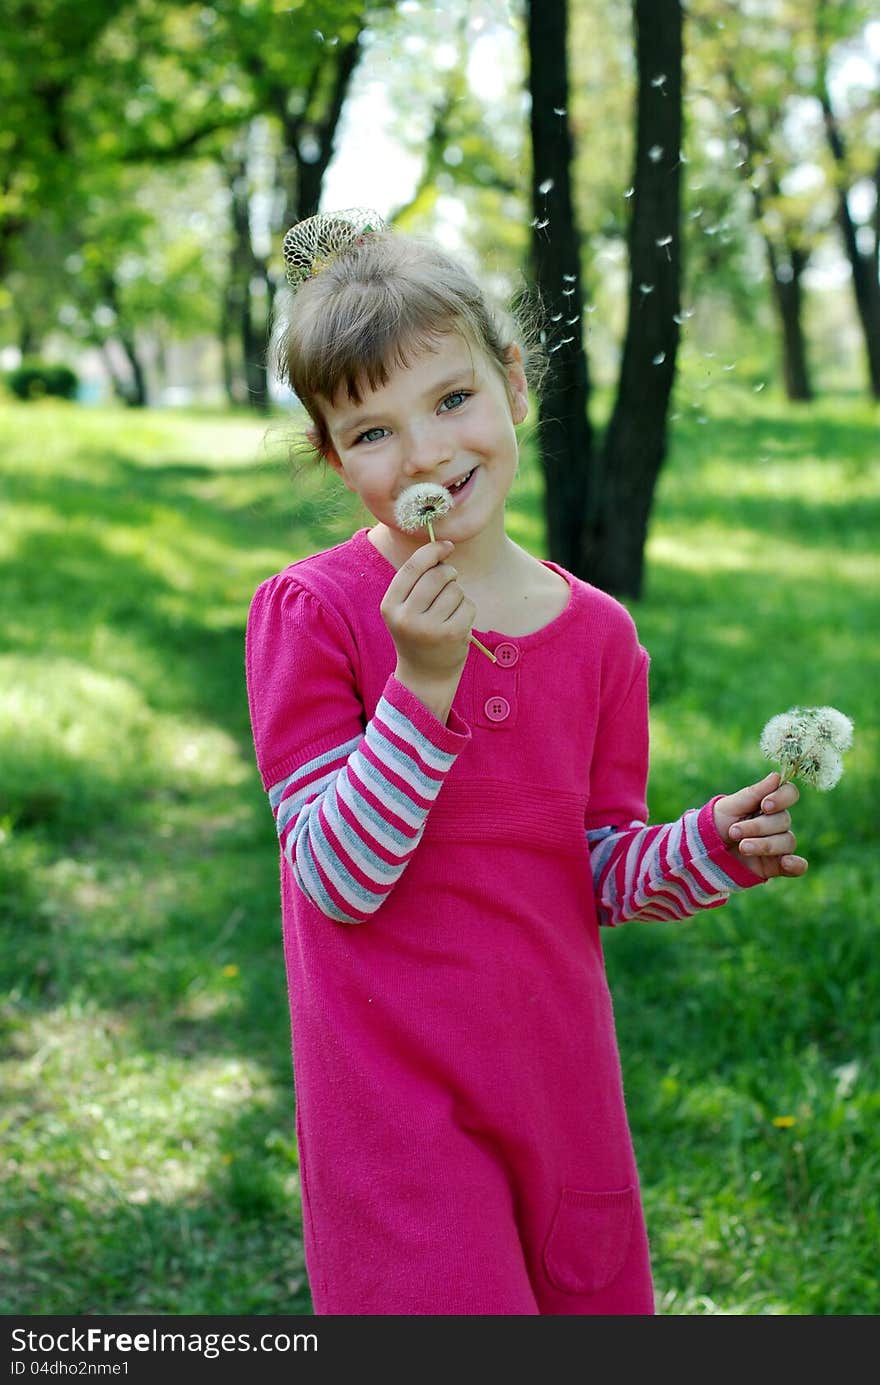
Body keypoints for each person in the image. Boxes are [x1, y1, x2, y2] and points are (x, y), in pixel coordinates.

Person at [244, 208, 807, 1316]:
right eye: (372, 431)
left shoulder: (598, 635)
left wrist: (707, 845)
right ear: (332, 454)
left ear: (513, 382)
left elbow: (593, 865)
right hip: (395, 1119)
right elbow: (336, 877)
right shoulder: (314, 615)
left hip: (560, 1095)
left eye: (451, 399)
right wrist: (422, 685)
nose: (427, 455)